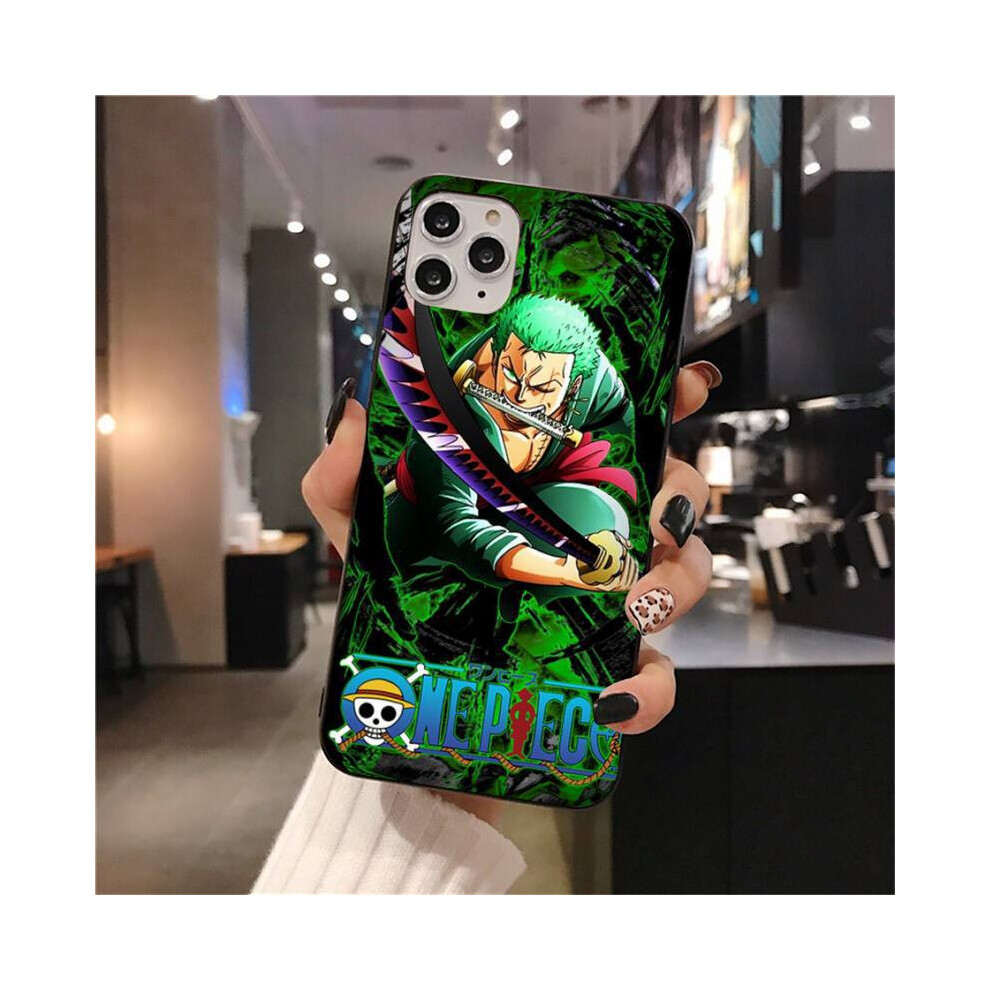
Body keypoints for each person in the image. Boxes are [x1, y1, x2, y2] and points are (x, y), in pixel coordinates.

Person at [252, 360, 721, 894]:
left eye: (541, 389)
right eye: (507, 377)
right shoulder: (442, 441)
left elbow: (590, 498)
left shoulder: (566, 472)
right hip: (413, 629)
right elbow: (469, 537)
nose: (518, 400)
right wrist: (576, 568)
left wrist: (611, 550)